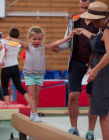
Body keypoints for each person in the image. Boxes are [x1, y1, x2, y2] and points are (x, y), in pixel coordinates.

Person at [51, 0, 99, 139]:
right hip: (76, 63)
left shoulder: (101, 22)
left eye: (86, 8)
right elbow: (68, 40)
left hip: (94, 64)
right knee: (73, 96)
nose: (83, 10)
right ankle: (74, 128)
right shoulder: (75, 19)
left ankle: (90, 131)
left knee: (93, 98)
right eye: (81, 7)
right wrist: (59, 47)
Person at [6, 26, 74, 122]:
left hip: (39, 75)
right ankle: (35, 114)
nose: (37, 41)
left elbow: (58, 42)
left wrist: (68, 37)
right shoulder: (28, 46)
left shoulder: (43, 47)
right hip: (30, 74)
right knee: (32, 95)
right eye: (34, 39)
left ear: (42, 39)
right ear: (29, 39)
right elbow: (19, 42)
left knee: (36, 95)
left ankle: (32, 112)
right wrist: (10, 38)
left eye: (39, 39)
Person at [74, 2, 109, 140]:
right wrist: (84, 32)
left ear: (100, 17)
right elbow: (97, 39)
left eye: (93, 19)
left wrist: (95, 70)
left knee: (102, 112)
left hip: (104, 72)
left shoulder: (107, 30)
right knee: (104, 111)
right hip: (101, 70)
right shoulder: (102, 28)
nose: (91, 22)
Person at [0, 28, 29, 107]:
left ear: (9, 35)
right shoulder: (18, 44)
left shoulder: (4, 43)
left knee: (4, 86)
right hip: (15, 67)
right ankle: (29, 102)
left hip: (6, 67)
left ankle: (7, 104)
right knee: (19, 86)